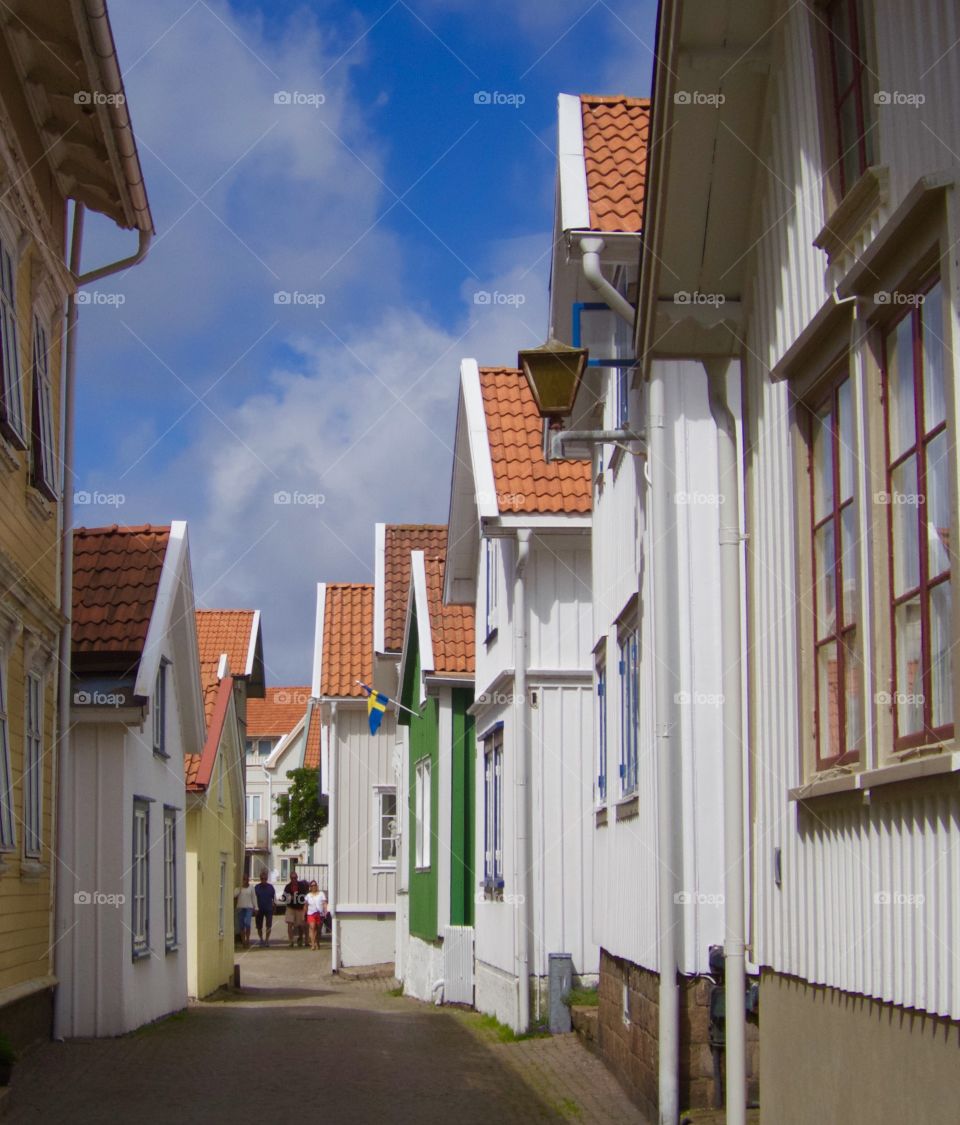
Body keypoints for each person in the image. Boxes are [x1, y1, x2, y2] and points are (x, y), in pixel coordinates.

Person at [282, 870, 308, 947]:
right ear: (290, 878)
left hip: (299, 908)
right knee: (290, 924)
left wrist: (304, 905)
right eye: (292, 878)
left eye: (295, 878)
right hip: (290, 907)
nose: (294, 879)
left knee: (300, 925)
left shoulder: (301, 885)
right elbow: (284, 897)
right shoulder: (287, 886)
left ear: (297, 878)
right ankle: (291, 941)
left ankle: (300, 939)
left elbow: (305, 895)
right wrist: (290, 897)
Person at [254, 870, 276, 947]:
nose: (263, 880)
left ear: (267, 879)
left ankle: (267, 940)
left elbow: (274, 899)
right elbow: (254, 899)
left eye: (265, 879)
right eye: (262, 878)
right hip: (259, 909)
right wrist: (255, 908)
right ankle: (261, 939)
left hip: (268, 909)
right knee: (259, 926)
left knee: (269, 926)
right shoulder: (257, 887)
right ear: (260, 879)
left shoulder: (270, 887)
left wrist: (274, 908)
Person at [234, 875, 256, 948]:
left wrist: (256, 907)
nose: (245, 881)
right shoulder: (238, 888)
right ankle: (243, 941)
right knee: (241, 925)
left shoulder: (251, 888)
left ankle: (248, 940)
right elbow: (234, 895)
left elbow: (254, 897)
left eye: (246, 879)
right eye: (243, 879)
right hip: (240, 908)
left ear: (248, 880)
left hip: (248, 908)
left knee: (248, 924)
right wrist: (240, 888)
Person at [304, 881, 327, 950]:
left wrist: (325, 911)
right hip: (311, 914)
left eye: (315, 885)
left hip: (320, 914)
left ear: (317, 886)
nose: (313, 887)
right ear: (310, 887)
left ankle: (317, 942)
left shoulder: (321, 894)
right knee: (312, 927)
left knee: (318, 929)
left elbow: (324, 903)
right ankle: (313, 944)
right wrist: (304, 914)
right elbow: (305, 905)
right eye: (312, 885)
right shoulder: (308, 895)